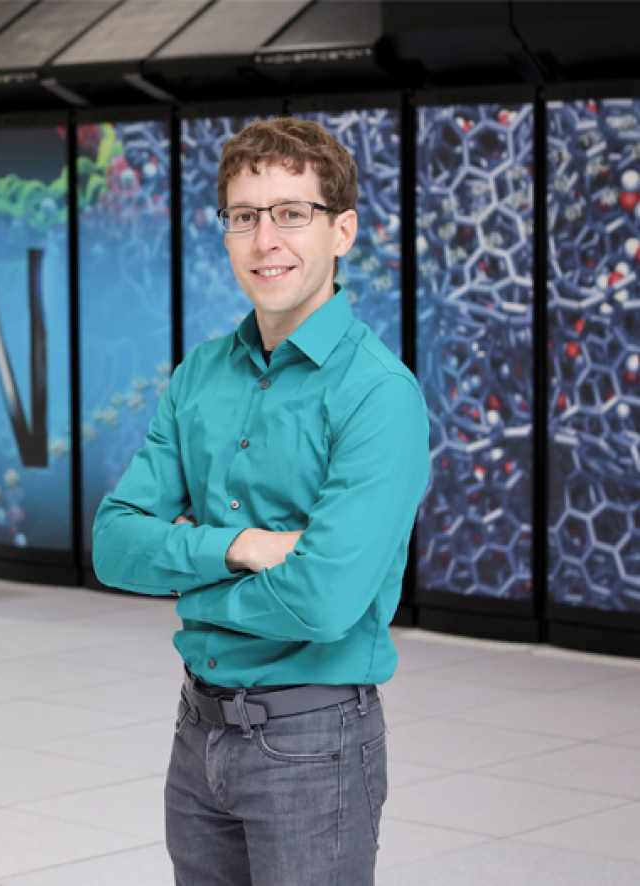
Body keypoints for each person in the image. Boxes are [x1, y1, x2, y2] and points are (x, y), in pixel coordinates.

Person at [92, 116, 431, 885]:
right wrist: (237, 548)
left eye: (291, 213)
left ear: (342, 230)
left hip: (313, 744)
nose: (265, 239)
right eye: (245, 217)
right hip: (197, 733)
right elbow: (113, 545)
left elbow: (324, 601)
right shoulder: (200, 376)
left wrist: (185, 577)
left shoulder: (379, 396)